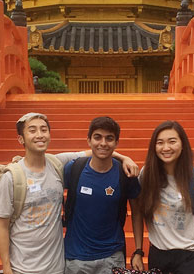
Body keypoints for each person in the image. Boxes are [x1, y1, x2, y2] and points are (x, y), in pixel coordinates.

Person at [0, 112, 138, 274]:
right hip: (22, 266)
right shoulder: (11, 177)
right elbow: (1, 224)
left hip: (56, 265)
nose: (39, 135)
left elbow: (96, 150)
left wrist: (124, 158)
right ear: (21, 139)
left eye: (43, 130)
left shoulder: (56, 164)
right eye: (32, 130)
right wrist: (6, 267)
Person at [130, 120, 194, 274]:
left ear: (183, 144)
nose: (166, 148)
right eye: (160, 143)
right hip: (159, 254)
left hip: (191, 256)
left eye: (172, 141)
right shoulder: (147, 176)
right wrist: (138, 251)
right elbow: (137, 213)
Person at [63, 116, 141, 274]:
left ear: (116, 143)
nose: (103, 143)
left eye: (109, 138)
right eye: (97, 137)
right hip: (76, 258)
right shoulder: (74, 169)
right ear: (89, 140)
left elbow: (137, 213)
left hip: (112, 256)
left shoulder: (124, 173)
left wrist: (138, 250)